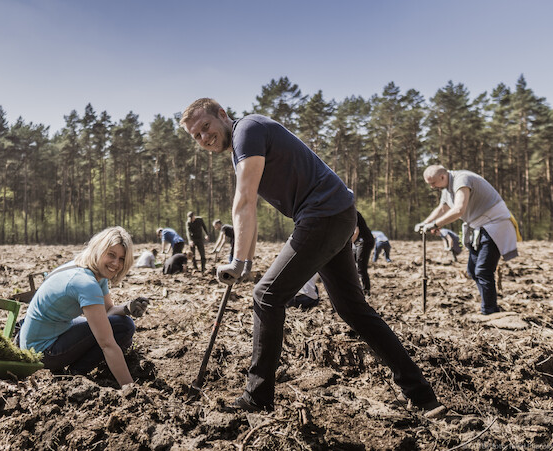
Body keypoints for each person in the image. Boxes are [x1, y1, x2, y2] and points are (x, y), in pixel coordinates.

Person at [180, 98, 442, 416]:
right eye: (196, 136)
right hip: (336, 212)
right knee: (354, 310)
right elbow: (250, 211)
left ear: (222, 115)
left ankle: (257, 397)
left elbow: (244, 200)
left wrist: (236, 262)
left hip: (323, 214)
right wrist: (245, 262)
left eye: (205, 127)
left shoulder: (246, 130)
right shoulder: (243, 143)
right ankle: (423, 396)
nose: (204, 137)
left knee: (266, 296)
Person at [19, 226, 149, 387]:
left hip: (38, 336)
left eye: (122, 259)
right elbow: (107, 344)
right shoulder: (85, 283)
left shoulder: (91, 271)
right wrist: (131, 388)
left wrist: (128, 308)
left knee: (120, 321)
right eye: (111, 255)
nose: (116, 263)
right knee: (124, 327)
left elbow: (108, 311)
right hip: (41, 351)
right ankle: (75, 374)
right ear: (98, 250)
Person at [415, 165, 519, 314]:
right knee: (472, 270)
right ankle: (488, 305)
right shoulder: (446, 188)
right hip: (480, 227)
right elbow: (442, 208)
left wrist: (436, 224)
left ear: (442, 177)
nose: (432, 187)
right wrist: (426, 223)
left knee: (483, 270)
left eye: (433, 183)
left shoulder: (462, 179)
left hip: (495, 224)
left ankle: (490, 310)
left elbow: (459, 210)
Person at [352, 211, 375, 295]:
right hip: (358, 242)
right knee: (351, 262)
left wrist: (348, 244)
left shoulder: (352, 212)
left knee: (361, 267)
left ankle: (366, 290)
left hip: (364, 241)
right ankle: (355, 287)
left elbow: (356, 231)